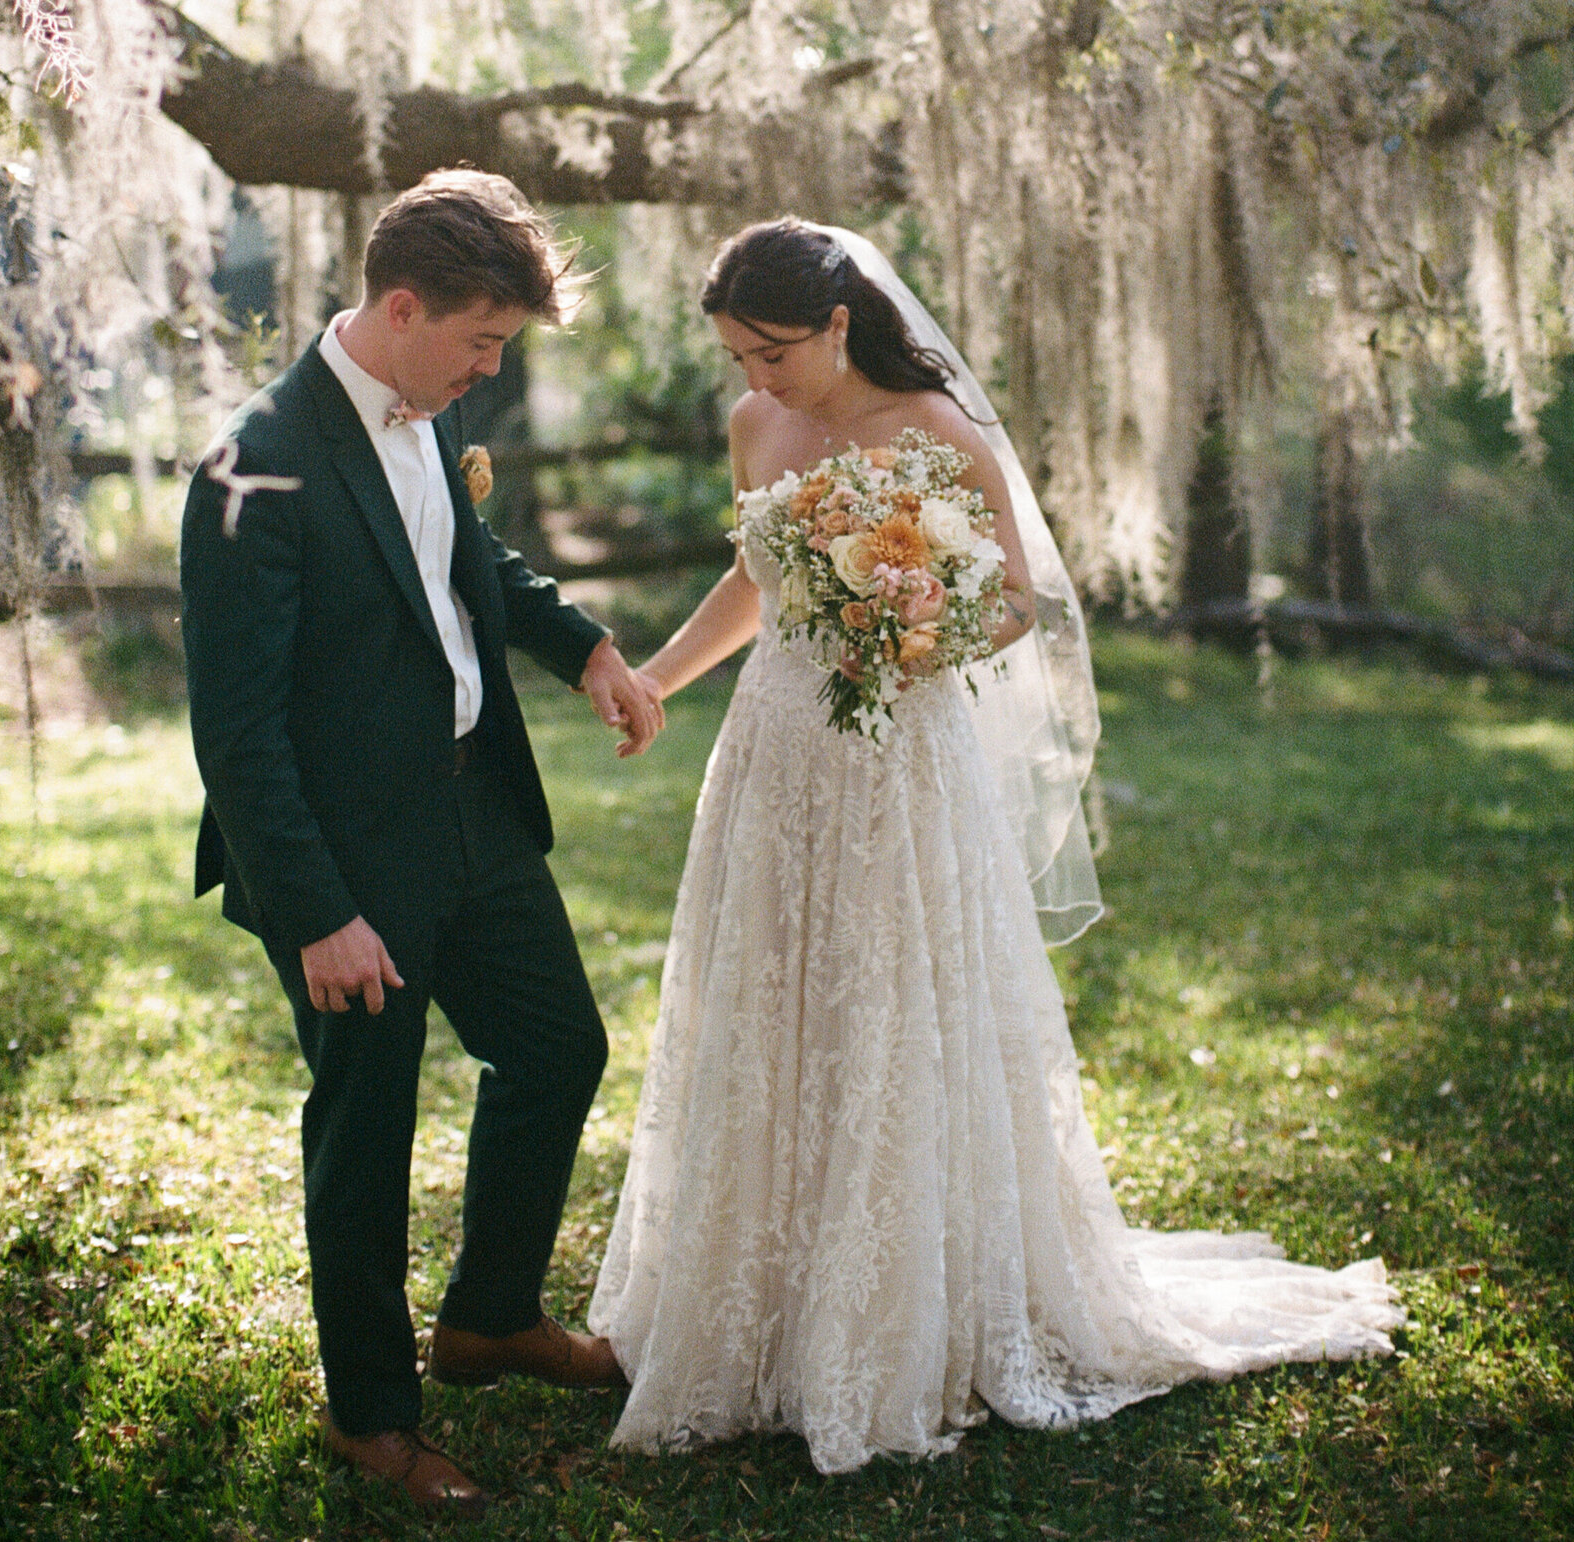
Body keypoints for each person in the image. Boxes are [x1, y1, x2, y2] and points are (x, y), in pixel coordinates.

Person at [590, 218, 1401, 1476]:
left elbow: (1015, 600)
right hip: (773, 750)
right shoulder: (757, 429)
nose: (756, 379)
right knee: (772, 1003)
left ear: (839, 322)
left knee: (889, 1005)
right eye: (738, 355)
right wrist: (656, 677)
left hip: (897, 757)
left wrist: (912, 622)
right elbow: (756, 583)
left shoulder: (934, 427)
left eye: (774, 351)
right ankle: (759, 1302)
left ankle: (892, 1312)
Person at [181, 171, 663, 1523]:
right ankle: (375, 1417)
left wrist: (586, 649)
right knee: (368, 1121)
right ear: (403, 305)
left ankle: (492, 1316)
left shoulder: (428, 420)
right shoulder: (251, 466)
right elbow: (237, 727)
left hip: (477, 815)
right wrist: (317, 908)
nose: (490, 369)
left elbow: (468, 563)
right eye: (482, 341)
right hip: (342, 857)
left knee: (559, 1044)